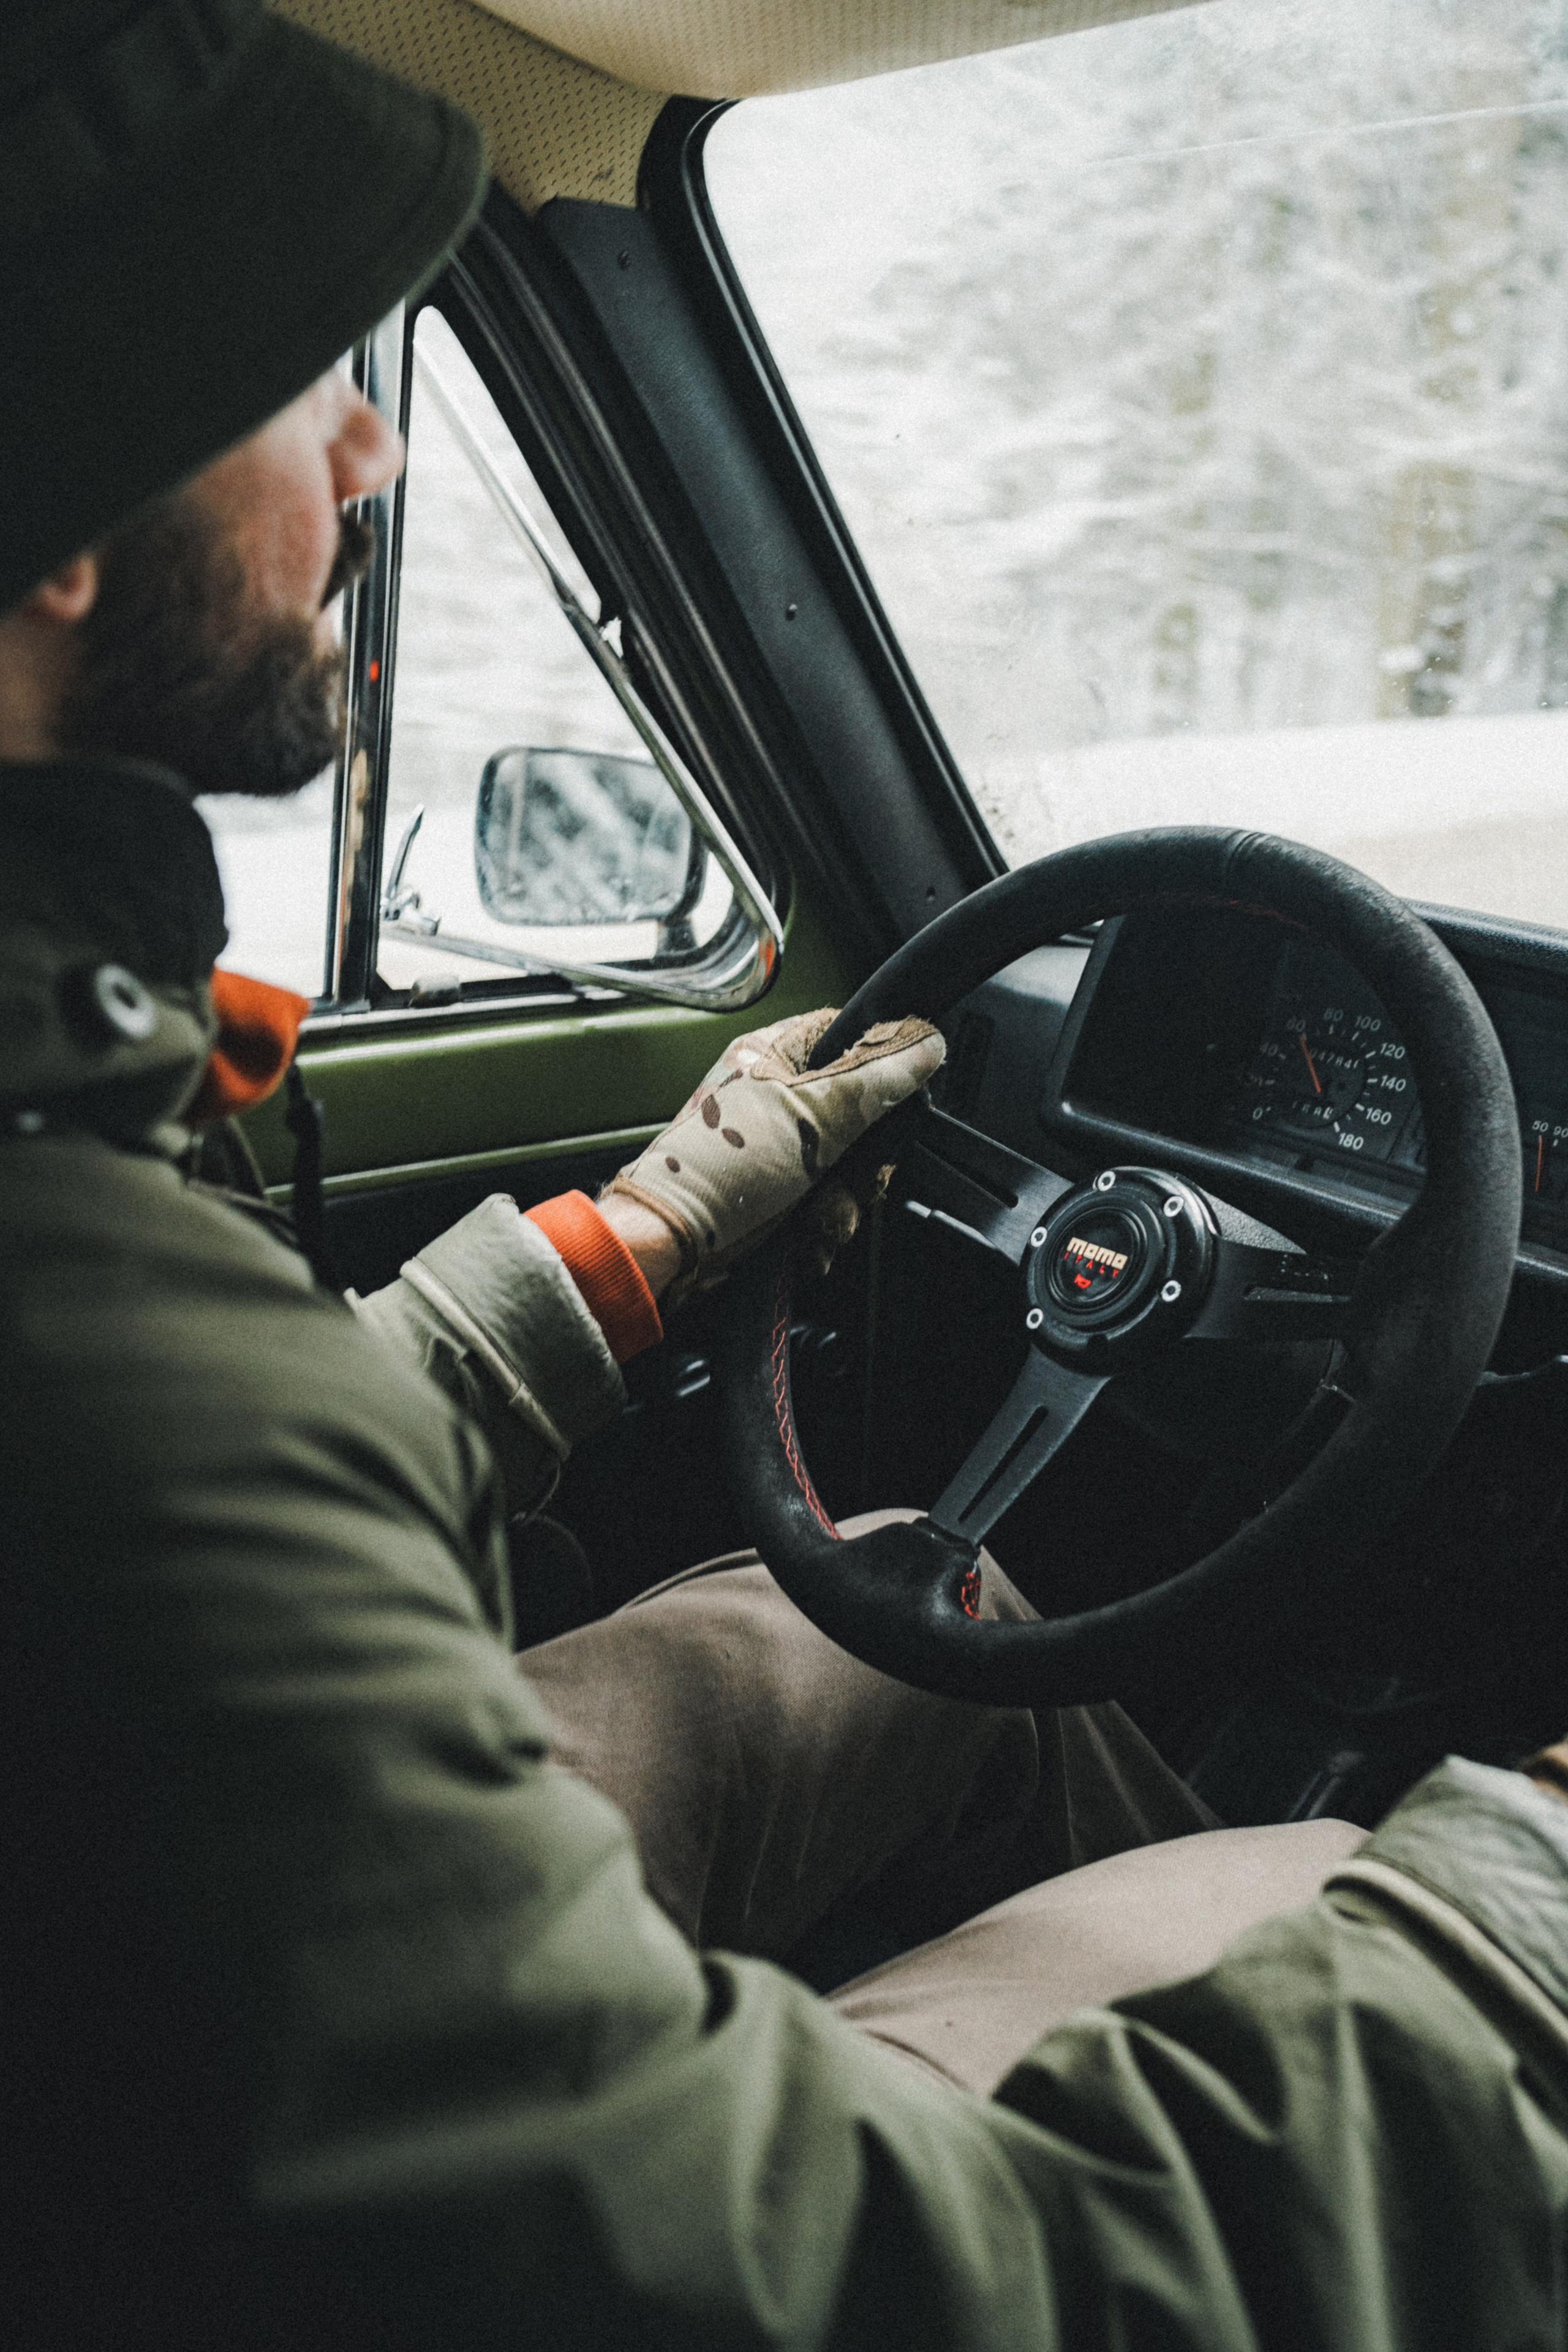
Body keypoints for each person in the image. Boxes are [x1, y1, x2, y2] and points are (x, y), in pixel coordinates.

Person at [5, 4, 1568, 2345]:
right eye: (296, 375)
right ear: (52, 526)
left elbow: (177, 1529)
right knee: (1345, 1883)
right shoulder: (97, 1359)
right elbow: (860, 2296)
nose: (371, 454)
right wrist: (1514, 1886)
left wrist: (628, 1253)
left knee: (887, 1614)